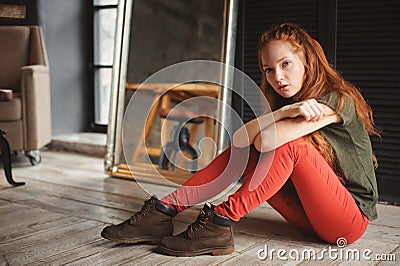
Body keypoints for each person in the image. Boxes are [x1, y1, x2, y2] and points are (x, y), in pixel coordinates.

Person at [101, 23, 379, 257]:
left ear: (306, 59)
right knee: (244, 149)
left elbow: (266, 142)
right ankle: (164, 211)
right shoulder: (293, 103)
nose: (278, 77)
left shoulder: (335, 101)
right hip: (308, 215)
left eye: (286, 64)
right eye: (268, 70)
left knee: (294, 148)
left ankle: (220, 221)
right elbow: (240, 141)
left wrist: (281, 116)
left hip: (347, 221)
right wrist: (284, 110)